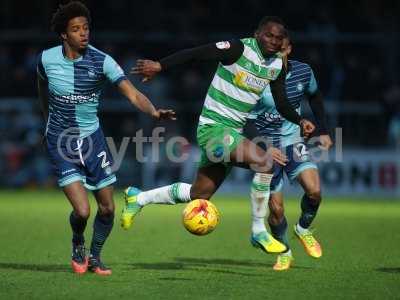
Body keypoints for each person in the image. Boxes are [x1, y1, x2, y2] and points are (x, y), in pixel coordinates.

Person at [121, 16, 316, 254]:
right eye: (268, 35)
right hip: (213, 129)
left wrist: (300, 119)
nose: (273, 41)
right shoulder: (238, 49)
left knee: (198, 194)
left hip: (232, 132)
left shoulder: (276, 65)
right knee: (265, 163)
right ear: (257, 34)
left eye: (278, 38)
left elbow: (281, 102)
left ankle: (138, 198)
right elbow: (196, 53)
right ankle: (258, 232)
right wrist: (161, 66)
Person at [37, 1, 175, 275]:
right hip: (60, 142)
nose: (83, 33)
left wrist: (154, 112)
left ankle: (95, 257)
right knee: (83, 212)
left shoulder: (102, 61)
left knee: (108, 208)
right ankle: (78, 242)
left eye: (86, 28)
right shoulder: (46, 59)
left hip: (92, 140)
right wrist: (46, 120)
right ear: (64, 34)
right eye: (76, 29)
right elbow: (42, 88)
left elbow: (133, 94)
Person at [246, 37, 333, 270]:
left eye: (281, 49)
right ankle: (284, 251)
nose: (276, 53)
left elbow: (315, 96)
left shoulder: (304, 72)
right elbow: (246, 120)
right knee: (276, 211)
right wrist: (264, 147)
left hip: (293, 142)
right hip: (266, 150)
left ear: (289, 49)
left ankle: (303, 229)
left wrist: (323, 130)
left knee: (315, 192)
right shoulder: (256, 77)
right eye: (272, 50)